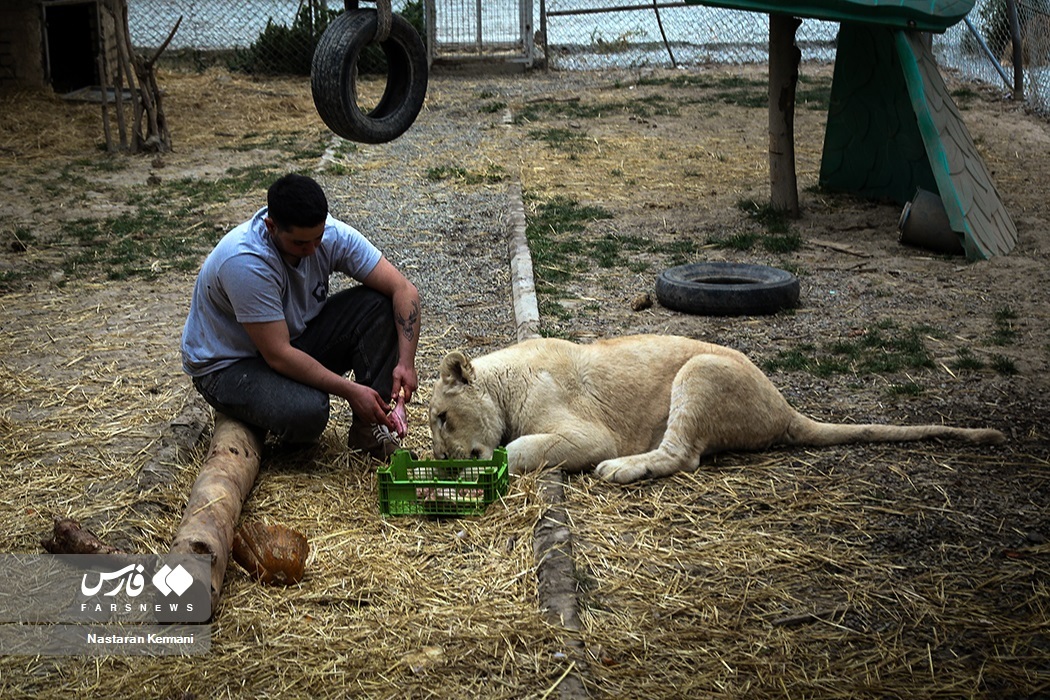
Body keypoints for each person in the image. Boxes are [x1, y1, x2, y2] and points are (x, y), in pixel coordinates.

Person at [180, 173, 420, 460]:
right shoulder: (245, 261)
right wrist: (352, 391)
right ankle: (256, 412)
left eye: (317, 239)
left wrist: (406, 363)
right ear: (271, 226)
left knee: (379, 304)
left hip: (289, 341)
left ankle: (368, 433)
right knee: (309, 412)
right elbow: (278, 355)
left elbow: (403, 289)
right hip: (229, 365)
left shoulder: (329, 234)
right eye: (299, 243)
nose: (311, 250)